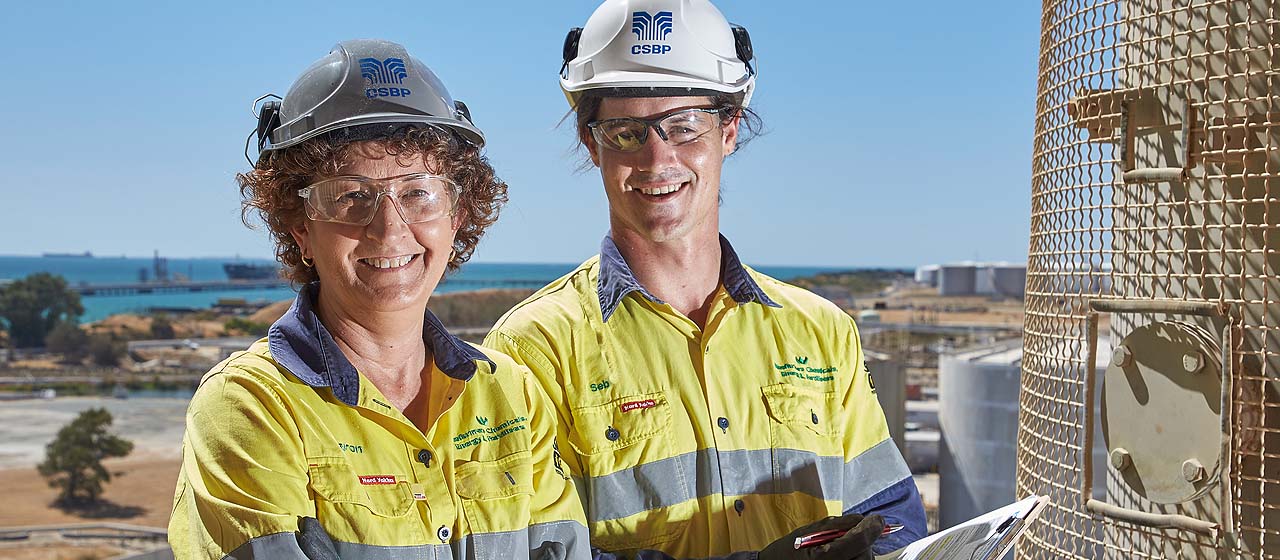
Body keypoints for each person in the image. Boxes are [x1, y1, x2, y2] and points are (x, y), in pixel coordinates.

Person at [484, 2, 927, 559]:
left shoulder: (821, 332)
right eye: (625, 132)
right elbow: (538, 550)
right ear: (590, 141)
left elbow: (890, 515)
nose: (656, 158)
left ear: (729, 129)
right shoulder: (533, 350)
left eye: (684, 126)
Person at [169, 39, 588, 560]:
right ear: (300, 227)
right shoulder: (250, 408)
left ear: (456, 216)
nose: (390, 230)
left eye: (418, 192)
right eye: (350, 195)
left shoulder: (512, 397)